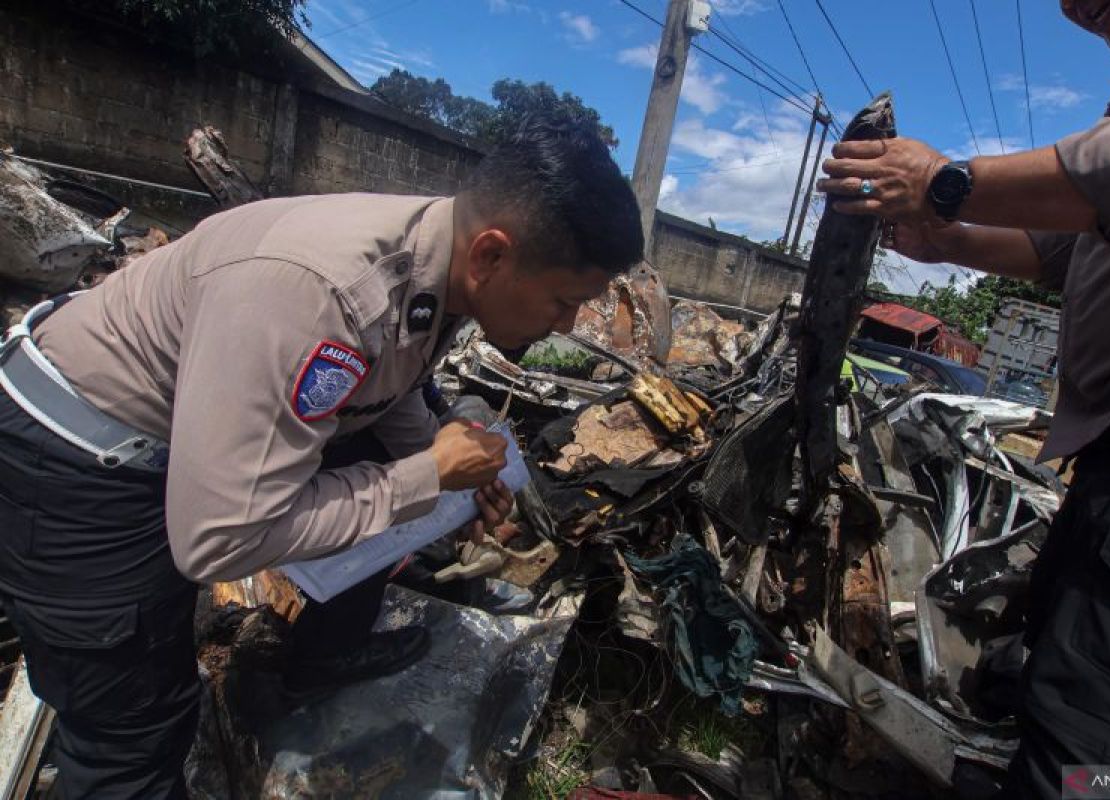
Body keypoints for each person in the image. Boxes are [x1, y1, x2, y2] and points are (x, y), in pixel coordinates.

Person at [0, 117, 644, 799]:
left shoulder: (438, 260)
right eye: (566, 302)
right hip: (76, 458)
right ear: (491, 256)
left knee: (379, 457)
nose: (570, 326)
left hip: (167, 440)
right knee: (133, 732)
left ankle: (319, 656)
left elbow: (381, 379)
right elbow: (217, 539)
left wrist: (445, 469)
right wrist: (425, 475)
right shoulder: (321, 292)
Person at [819, 1, 1110, 795]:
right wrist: (942, 233)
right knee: (1054, 678)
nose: (1075, 5)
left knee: (1108, 750)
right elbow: (1067, 247)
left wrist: (946, 182)